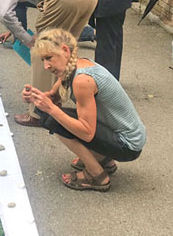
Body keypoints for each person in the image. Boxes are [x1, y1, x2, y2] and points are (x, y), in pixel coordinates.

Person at [22, 28, 146, 192]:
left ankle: (97, 176)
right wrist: (35, 97)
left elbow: (87, 132)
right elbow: (53, 96)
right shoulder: (74, 65)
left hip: (128, 145)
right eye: (43, 60)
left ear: (65, 51)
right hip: (127, 136)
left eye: (49, 58)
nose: (46, 66)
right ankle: (104, 159)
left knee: (52, 118)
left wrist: (50, 109)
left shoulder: (82, 80)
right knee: (49, 113)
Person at [0, 0, 98, 126]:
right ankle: (66, 99)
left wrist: (28, 40)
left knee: (44, 52)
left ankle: (39, 114)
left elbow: (5, 13)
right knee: (66, 50)